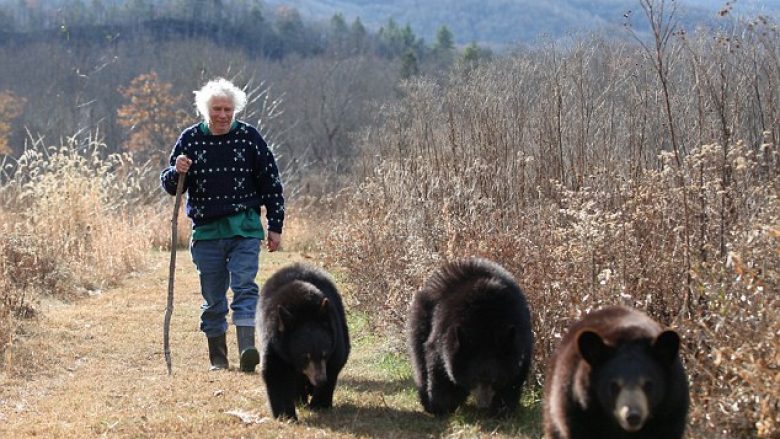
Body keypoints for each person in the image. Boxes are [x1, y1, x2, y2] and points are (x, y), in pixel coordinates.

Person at [160, 77, 284, 372]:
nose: (223, 115)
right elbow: (170, 184)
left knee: (245, 287)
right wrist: (177, 170)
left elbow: (271, 182)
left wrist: (275, 225)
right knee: (214, 298)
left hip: (244, 228)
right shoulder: (190, 139)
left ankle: (247, 350)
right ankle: (218, 358)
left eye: (228, 109)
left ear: (235, 110)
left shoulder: (249, 137)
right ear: (206, 110)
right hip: (206, 232)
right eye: (217, 109)